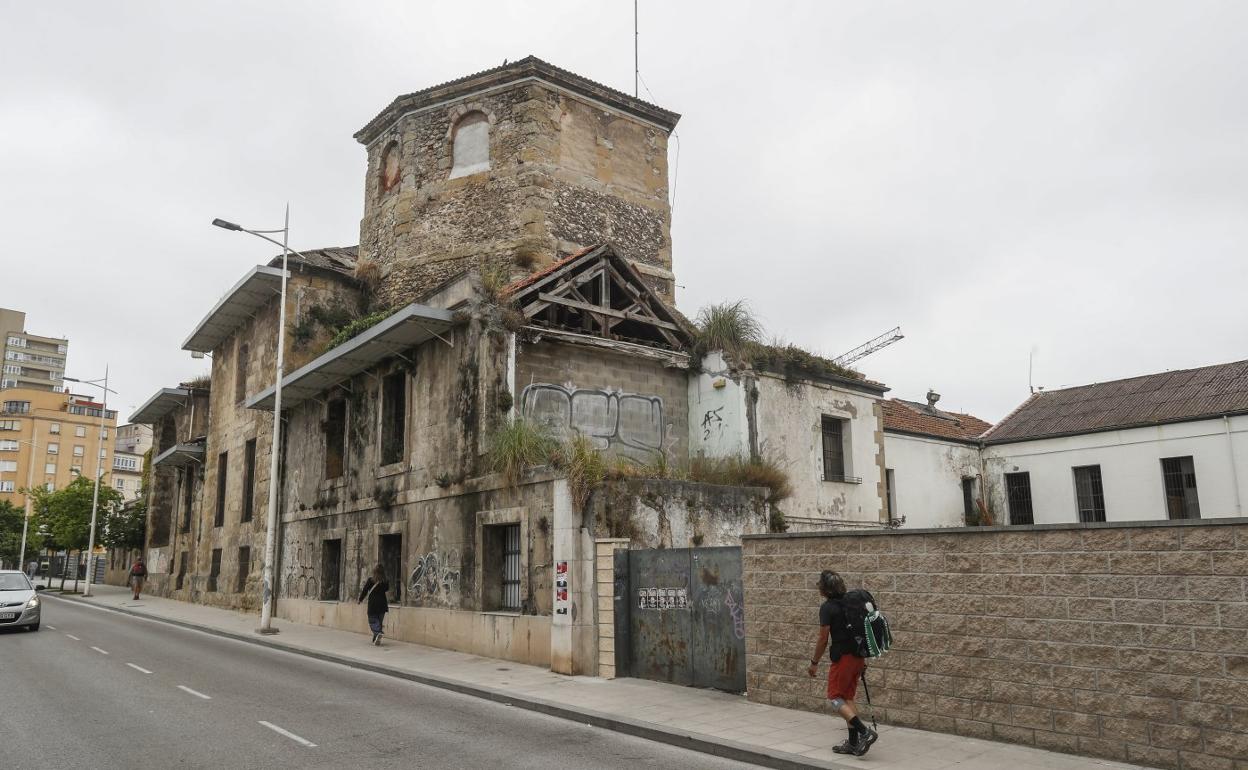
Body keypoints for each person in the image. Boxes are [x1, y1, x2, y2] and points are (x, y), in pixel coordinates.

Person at [807, 570, 878, 756]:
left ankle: (865, 732)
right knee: (847, 697)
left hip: (843, 658)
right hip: (858, 656)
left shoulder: (828, 608)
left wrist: (814, 662)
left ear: (825, 589)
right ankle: (853, 744)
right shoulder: (851, 602)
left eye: (819, 585)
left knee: (835, 697)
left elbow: (823, 639)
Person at [358, 564, 390, 646]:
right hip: (382, 604)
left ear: (374, 571)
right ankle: (376, 638)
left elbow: (365, 590)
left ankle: (378, 633)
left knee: (372, 620)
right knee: (379, 622)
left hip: (373, 604)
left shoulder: (371, 580)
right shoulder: (385, 581)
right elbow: (387, 589)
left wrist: (360, 599)